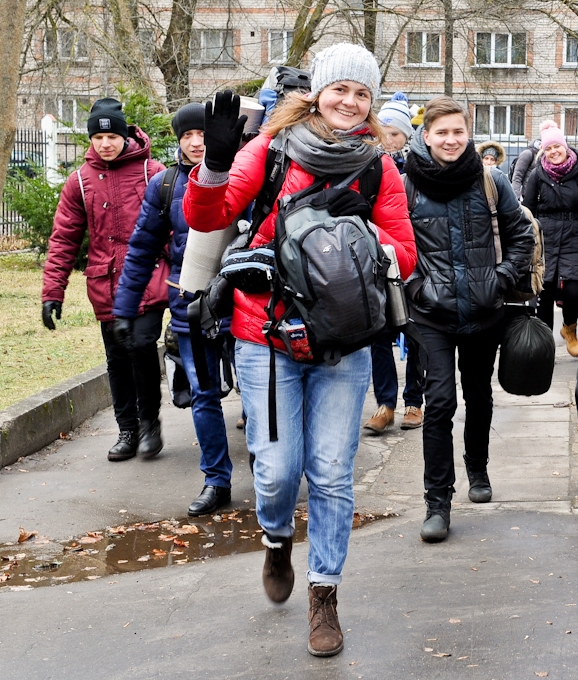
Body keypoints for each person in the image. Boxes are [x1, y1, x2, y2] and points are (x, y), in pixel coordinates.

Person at [183, 43, 417, 657]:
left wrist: (354, 244)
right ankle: (277, 537)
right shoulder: (274, 149)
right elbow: (208, 216)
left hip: (344, 343)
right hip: (266, 334)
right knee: (279, 470)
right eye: (340, 88)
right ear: (318, 91)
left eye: (362, 94)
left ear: (370, 105)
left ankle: (325, 594)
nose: (349, 101)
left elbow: (406, 252)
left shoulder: (376, 166)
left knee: (335, 473)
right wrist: (214, 165)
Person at [403, 96, 534, 543]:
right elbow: (394, 249)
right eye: (442, 132)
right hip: (431, 316)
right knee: (439, 403)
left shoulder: (491, 179)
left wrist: (501, 278)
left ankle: (477, 469)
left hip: (484, 311)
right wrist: (417, 288)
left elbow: (522, 235)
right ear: (426, 136)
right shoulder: (406, 186)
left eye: (458, 131)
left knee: (479, 395)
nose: (451, 139)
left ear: (468, 133)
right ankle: (437, 502)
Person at [113, 103, 236, 516]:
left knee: (256, 396)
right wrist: (125, 309)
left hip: (244, 307)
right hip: (192, 309)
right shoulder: (164, 186)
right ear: (178, 141)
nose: (196, 142)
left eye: (202, 134)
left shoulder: (243, 174)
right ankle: (216, 480)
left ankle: (272, 468)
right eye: (187, 136)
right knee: (204, 395)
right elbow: (142, 249)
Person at [41, 98, 168, 462]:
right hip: (105, 283)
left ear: (124, 135)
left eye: (111, 135)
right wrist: (53, 292)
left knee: (142, 346)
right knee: (116, 357)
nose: (105, 144)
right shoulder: (80, 182)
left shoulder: (152, 172)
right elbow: (64, 239)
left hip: (148, 279)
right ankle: (127, 429)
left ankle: (149, 425)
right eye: (98, 137)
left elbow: (175, 228)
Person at [364, 91, 424, 434]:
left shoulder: (417, 169)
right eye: (382, 130)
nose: (387, 139)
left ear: (407, 136)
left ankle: (414, 401)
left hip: (412, 264)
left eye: (395, 133)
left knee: (416, 334)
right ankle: (386, 404)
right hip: (377, 265)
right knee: (379, 335)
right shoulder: (367, 164)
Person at [523, 121, 578, 356]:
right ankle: (544, 345)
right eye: (548, 149)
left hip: (575, 235)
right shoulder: (537, 176)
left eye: (556, 147)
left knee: (574, 291)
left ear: (565, 146)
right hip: (546, 238)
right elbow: (527, 213)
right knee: (546, 289)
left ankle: (569, 328)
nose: (553, 152)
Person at [510, 120, 555, 200]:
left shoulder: (552, 155)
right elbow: (517, 176)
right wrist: (516, 199)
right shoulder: (528, 154)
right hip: (528, 197)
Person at [378, 91, 413, 172]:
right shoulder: (369, 159)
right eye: (382, 134)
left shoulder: (420, 163)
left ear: (407, 134)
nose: (387, 140)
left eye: (394, 134)